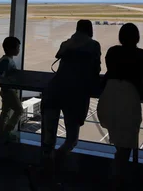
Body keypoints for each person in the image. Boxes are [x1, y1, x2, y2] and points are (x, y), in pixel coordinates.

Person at [40, 19, 101, 174]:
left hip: (53, 91)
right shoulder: (93, 45)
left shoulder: (66, 44)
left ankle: (46, 168)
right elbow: (96, 70)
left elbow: (59, 55)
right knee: (71, 139)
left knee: (48, 139)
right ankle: (54, 164)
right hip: (74, 94)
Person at [98, 23, 143, 190]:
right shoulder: (141, 55)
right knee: (126, 147)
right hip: (128, 101)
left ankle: (116, 177)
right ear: (137, 37)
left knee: (119, 144)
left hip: (108, 97)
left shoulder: (112, 52)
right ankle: (117, 180)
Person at [0, 36, 24, 143]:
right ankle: (6, 132)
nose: (19, 50)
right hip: (9, 90)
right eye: (17, 48)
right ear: (11, 49)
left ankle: (1, 132)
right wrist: (8, 75)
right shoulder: (7, 61)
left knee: (5, 111)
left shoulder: (4, 59)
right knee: (19, 110)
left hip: (5, 89)